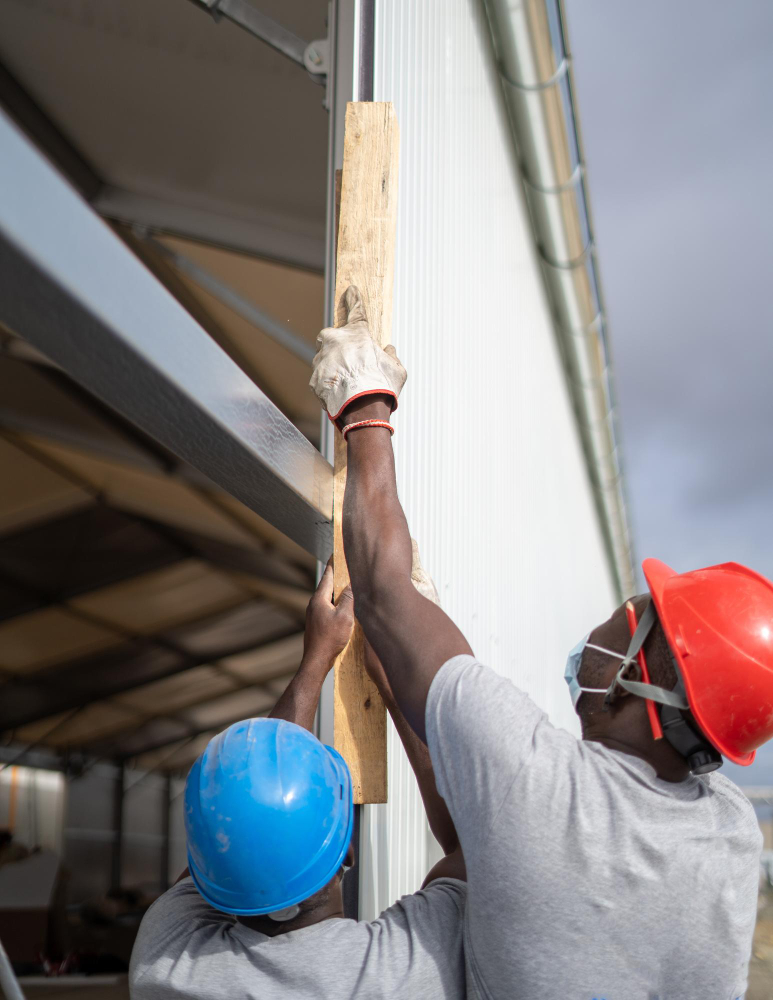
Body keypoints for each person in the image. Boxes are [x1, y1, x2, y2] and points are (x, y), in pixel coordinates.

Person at [309, 286, 773, 1000]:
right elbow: (494, 832)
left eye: (638, 609)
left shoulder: (537, 780)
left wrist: (364, 404)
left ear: (643, 676)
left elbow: (380, 587)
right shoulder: (732, 837)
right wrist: (402, 680)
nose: (619, 609)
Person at [129, 560, 467, 1000]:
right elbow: (474, 851)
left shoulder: (166, 964)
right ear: (347, 852)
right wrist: (398, 689)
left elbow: (240, 812)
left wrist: (316, 659)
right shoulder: (399, 970)